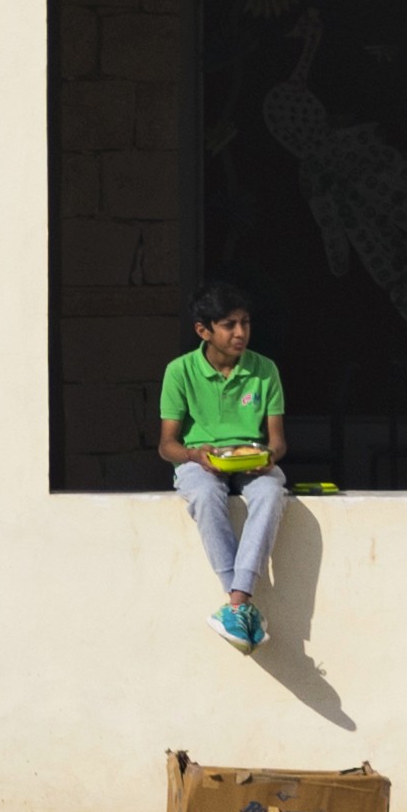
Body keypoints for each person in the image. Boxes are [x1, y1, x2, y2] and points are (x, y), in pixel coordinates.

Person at [157, 279, 289, 653]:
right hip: (200, 460)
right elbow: (167, 445)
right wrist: (195, 455)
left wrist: (266, 458)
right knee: (202, 492)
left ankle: (237, 601)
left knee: (270, 491)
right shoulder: (180, 372)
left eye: (245, 323)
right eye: (229, 325)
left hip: (253, 460)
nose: (240, 333)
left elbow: (277, 441)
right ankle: (240, 603)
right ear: (204, 330)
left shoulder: (265, 370)